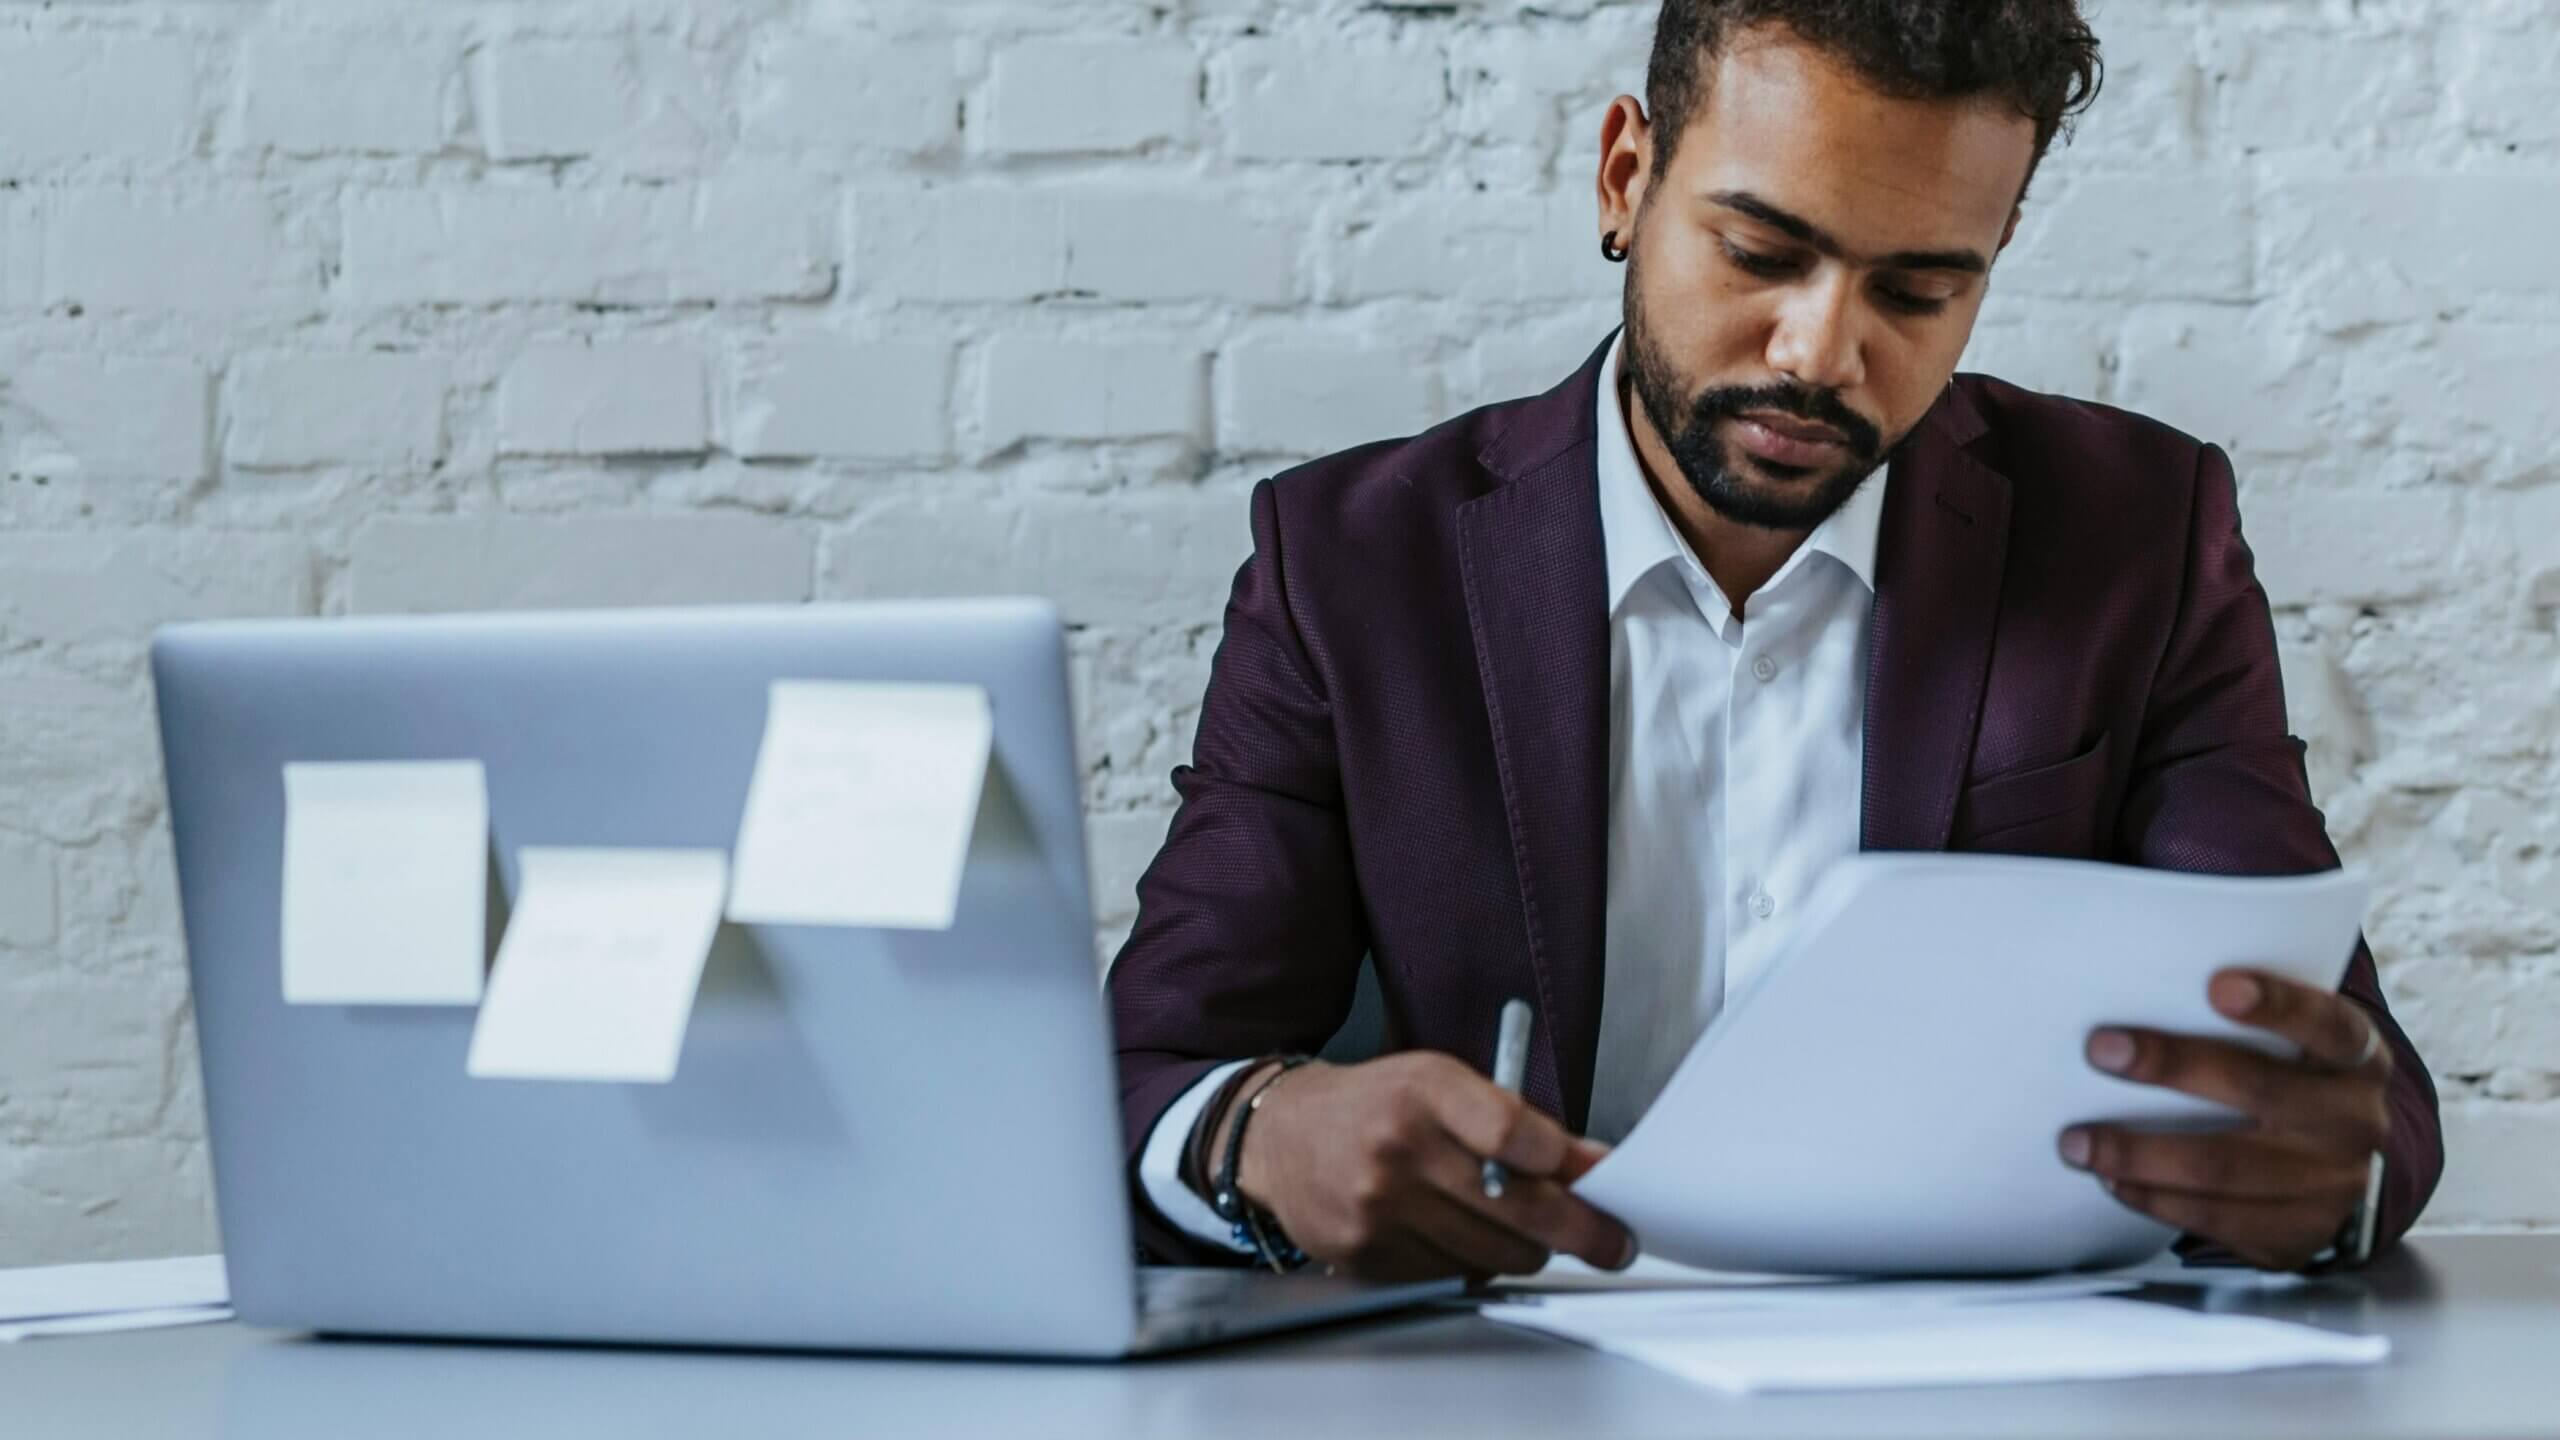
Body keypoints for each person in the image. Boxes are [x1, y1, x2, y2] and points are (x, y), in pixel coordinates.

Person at [1106, 0, 2443, 1280]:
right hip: (1506, 1375)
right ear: (1625, 177)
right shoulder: (1352, 563)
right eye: (1759, 253)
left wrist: (2334, 1173)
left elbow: (2357, 1089)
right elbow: (1142, 1078)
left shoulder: (2139, 540)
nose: (1820, 352)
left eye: (1918, 292)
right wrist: (1261, 1139)